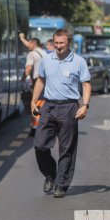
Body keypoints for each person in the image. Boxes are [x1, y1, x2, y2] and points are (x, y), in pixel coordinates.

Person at [30, 28, 91, 198]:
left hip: (69, 107)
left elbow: (86, 84)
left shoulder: (79, 62)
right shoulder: (46, 60)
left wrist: (84, 105)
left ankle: (61, 184)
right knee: (40, 144)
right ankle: (50, 174)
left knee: (66, 148)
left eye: (61, 43)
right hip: (49, 106)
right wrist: (33, 101)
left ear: (68, 43)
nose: (58, 46)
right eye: (56, 43)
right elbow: (40, 80)